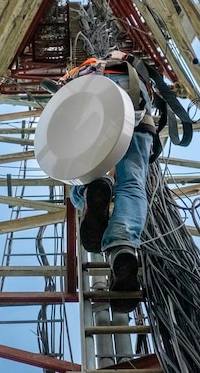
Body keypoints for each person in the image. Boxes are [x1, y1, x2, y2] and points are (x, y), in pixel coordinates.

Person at [63, 50, 155, 313]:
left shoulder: (83, 69)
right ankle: (122, 247)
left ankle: (94, 186)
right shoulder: (129, 64)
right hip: (135, 104)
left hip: (90, 100)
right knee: (132, 183)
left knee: (83, 171)